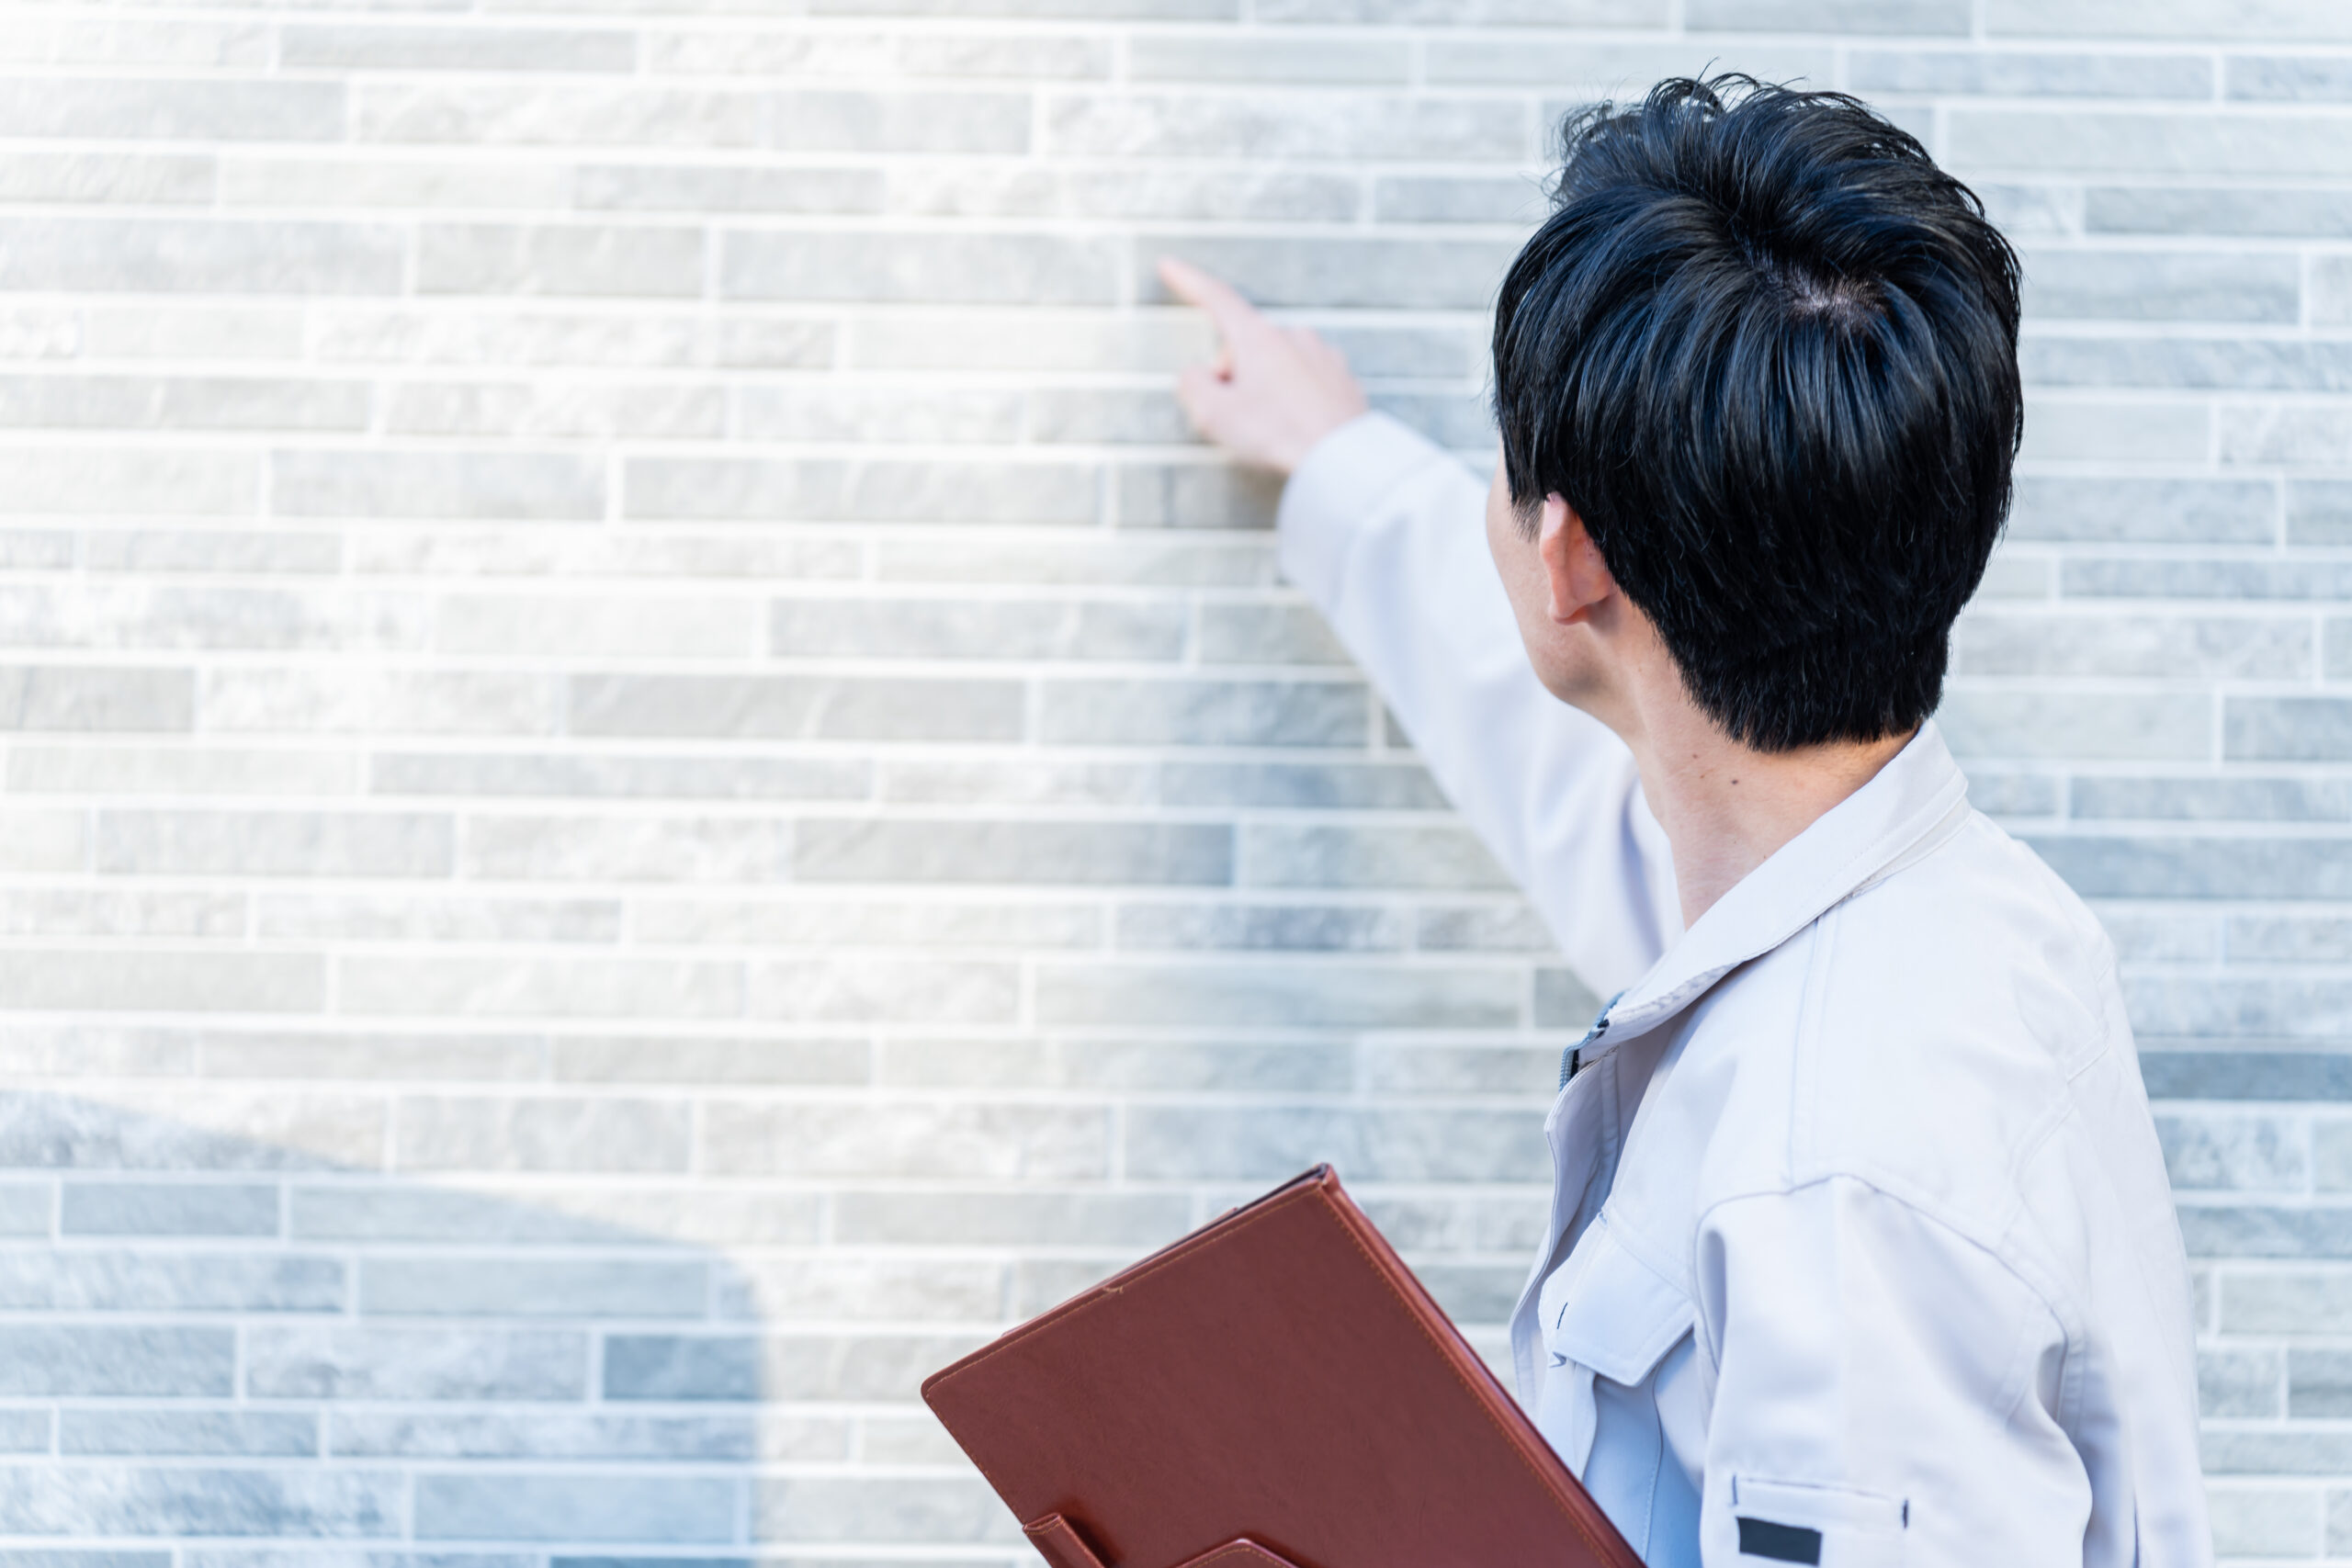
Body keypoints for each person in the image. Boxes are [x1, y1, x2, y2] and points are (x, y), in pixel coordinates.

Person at [1161, 76, 2209, 1568]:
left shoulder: (1836, 1182)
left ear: (1567, 559)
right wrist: (1340, 464)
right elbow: (1584, 756)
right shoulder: (1925, 912)